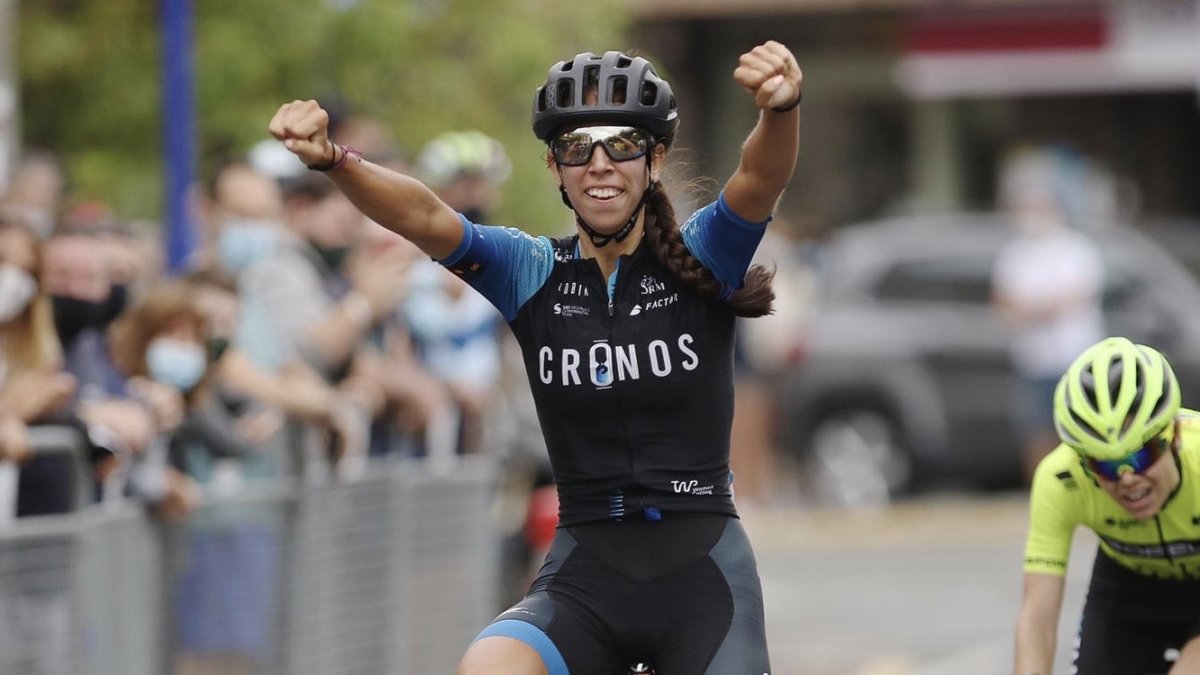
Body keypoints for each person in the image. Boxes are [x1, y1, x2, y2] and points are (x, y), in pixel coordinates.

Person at [271, 39, 801, 675]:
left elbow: (760, 177)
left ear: (654, 159)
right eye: (577, 148)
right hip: (586, 575)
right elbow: (424, 216)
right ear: (555, 169)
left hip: (702, 574)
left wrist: (781, 109)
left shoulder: (704, 256)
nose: (600, 164)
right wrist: (334, 160)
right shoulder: (530, 271)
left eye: (622, 145)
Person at [1014, 337, 1200, 674]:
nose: (1128, 478)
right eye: (1105, 465)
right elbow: (1037, 618)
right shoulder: (1061, 479)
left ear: (1173, 435)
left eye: (1143, 455)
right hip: (1129, 588)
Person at [991, 145, 1106, 483]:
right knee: (1038, 431)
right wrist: (1034, 309)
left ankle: (1090, 488)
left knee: (1085, 428)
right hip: (1034, 361)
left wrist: (1034, 308)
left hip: (1074, 358)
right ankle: (1044, 490)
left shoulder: (1076, 248)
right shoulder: (1015, 253)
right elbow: (1004, 302)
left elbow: (1073, 298)